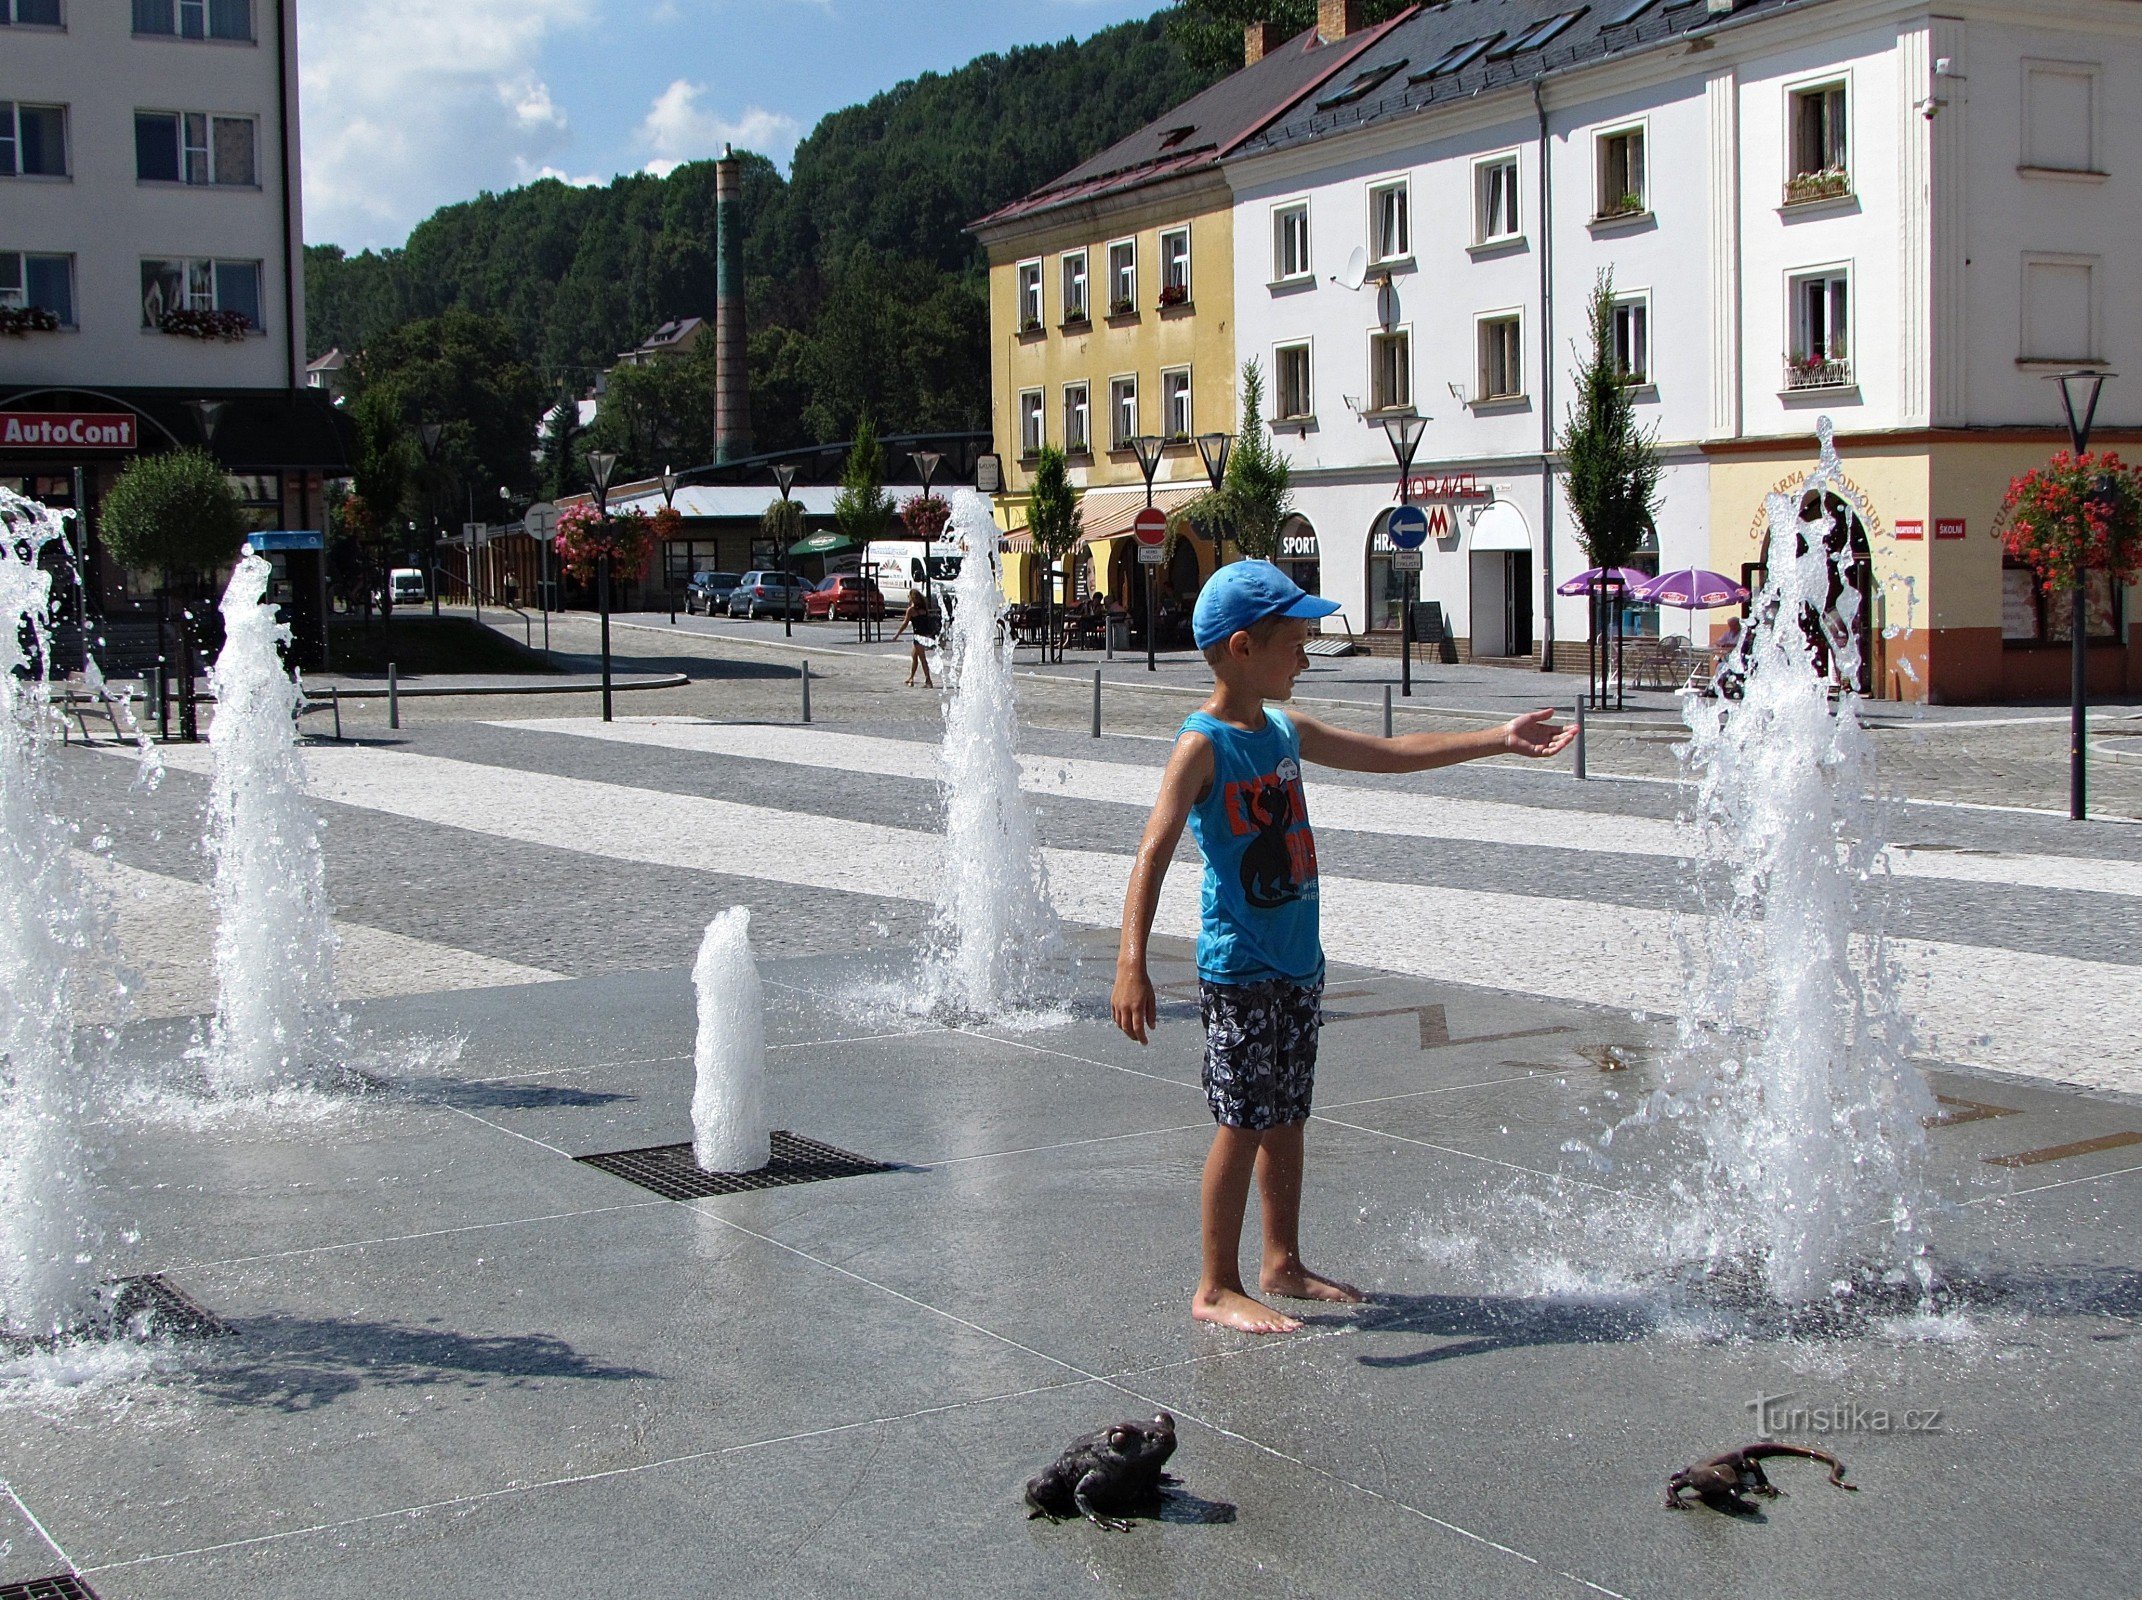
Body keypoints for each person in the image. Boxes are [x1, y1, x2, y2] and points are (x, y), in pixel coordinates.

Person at [1110, 562, 1577, 1334]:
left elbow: (1389, 751)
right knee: (1242, 1119)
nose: (1305, 655)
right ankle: (1215, 1284)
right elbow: (1152, 848)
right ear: (1240, 648)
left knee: (1287, 1113)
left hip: (1297, 961)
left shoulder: (1284, 731)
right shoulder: (1204, 746)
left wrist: (1498, 736)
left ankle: (1280, 1260)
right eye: (1294, 641)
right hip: (1243, 967)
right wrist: (1132, 963)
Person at [893, 587, 938, 687]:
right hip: (924, 636)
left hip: (917, 636)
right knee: (914, 656)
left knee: (922, 658)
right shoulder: (924, 609)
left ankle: (928, 680)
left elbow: (905, 624)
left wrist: (897, 635)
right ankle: (911, 677)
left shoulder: (911, 610)